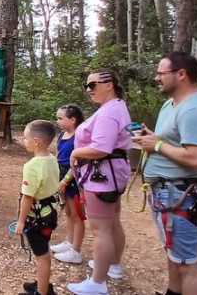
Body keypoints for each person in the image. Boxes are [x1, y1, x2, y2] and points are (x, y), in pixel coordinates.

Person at [132, 52, 197, 295]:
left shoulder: (194, 110)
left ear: (181, 74)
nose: (157, 77)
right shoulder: (171, 105)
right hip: (167, 194)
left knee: (186, 264)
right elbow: (173, 142)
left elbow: (196, 158)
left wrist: (156, 146)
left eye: (162, 73)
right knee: (174, 254)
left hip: (182, 194)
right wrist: (154, 138)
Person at [67, 69, 132, 295]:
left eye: (93, 85)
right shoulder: (115, 107)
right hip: (111, 174)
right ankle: (112, 265)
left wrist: (75, 153)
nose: (89, 90)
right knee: (113, 223)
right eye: (87, 86)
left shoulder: (108, 113)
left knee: (101, 230)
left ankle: (97, 283)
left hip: (101, 177)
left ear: (109, 84)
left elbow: (100, 148)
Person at [17, 120, 60, 295]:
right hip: (49, 213)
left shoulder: (32, 166)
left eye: (26, 137)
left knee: (41, 256)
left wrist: (21, 221)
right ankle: (42, 284)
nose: (24, 140)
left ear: (36, 141)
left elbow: (27, 197)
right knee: (43, 252)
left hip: (37, 218)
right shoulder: (51, 159)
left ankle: (42, 293)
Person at [51, 104, 86, 264]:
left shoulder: (80, 136)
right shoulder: (62, 134)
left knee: (77, 214)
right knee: (68, 212)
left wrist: (66, 180)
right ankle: (69, 241)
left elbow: (77, 162)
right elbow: (58, 154)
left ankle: (76, 250)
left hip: (73, 177)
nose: (58, 121)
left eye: (60, 118)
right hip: (61, 173)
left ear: (73, 120)